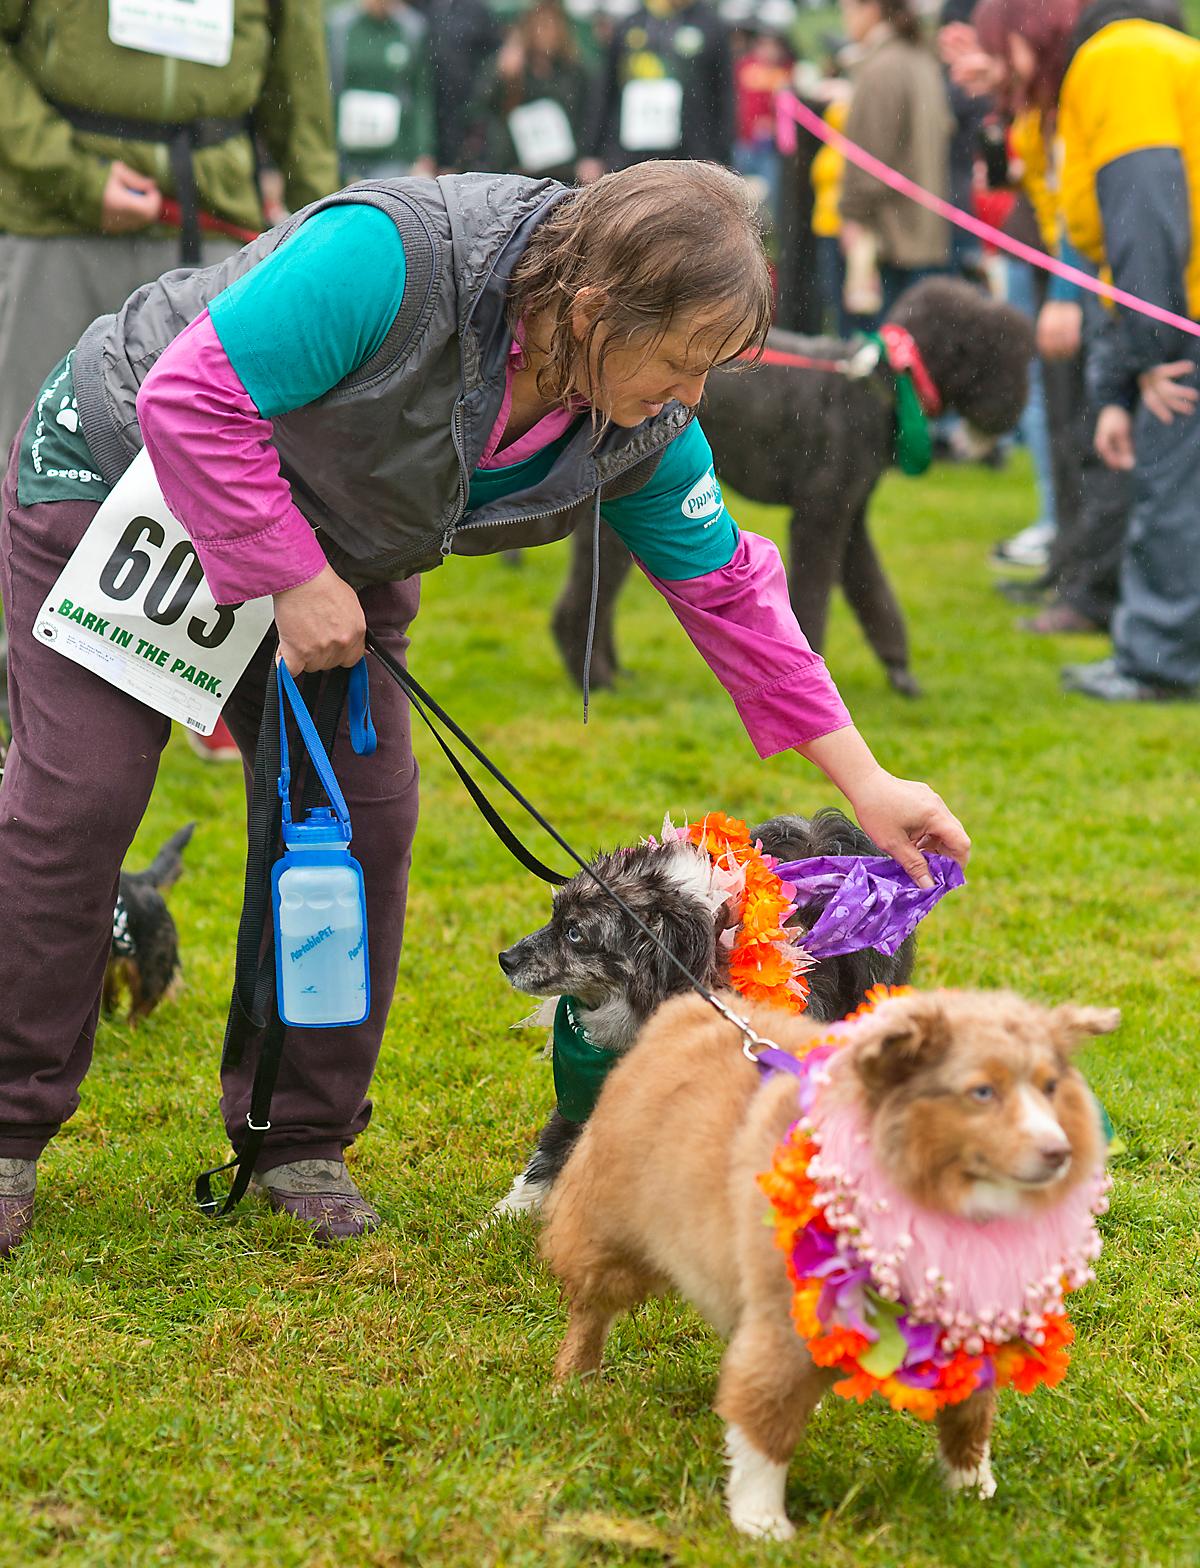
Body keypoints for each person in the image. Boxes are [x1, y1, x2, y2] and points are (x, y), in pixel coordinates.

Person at [0, 161, 969, 1256]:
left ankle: (298, 1138)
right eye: (684, 362)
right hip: (125, 473)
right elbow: (192, 395)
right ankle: (6, 1129)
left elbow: (733, 593)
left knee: (363, 822)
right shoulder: (391, 258)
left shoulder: (632, 419)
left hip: (330, 556)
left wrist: (869, 783)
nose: (694, 398)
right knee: (81, 801)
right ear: (596, 309)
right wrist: (286, 568)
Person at [956, 0, 1200, 701]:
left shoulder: (1114, 61)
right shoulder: (1113, 68)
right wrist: (1121, 382)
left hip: (1178, 318)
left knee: (1169, 491)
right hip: (1174, 310)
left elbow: (1146, 212)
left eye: (1001, 47)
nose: (998, 66)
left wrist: (1151, 352)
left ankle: (1160, 659)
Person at [0, 0, 337, 456]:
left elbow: (301, 90)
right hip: (52, 227)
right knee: (33, 462)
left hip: (214, 234)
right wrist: (76, 178)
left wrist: (320, 247)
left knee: (211, 466)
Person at [837, 0, 953, 327]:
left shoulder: (883, 67)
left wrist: (852, 217)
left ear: (871, 8)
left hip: (890, 240)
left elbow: (869, 159)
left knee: (879, 359)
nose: (845, 18)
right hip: (924, 234)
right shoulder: (921, 59)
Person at [581, 0, 735, 180]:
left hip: (691, 156)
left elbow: (724, 96)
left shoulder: (710, 26)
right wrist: (592, 152)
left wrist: (721, 155)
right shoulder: (631, 24)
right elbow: (605, 92)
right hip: (629, 154)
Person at [460, 0, 594, 185]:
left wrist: (583, 159)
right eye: (541, 25)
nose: (547, 33)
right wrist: (502, 74)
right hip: (516, 170)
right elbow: (482, 107)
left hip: (563, 170)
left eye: (552, 25)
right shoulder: (511, 67)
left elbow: (586, 117)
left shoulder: (574, 71)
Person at [326, 0, 437, 184]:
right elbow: (330, 89)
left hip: (392, 155)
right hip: (346, 154)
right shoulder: (339, 27)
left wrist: (423, 152)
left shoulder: (412, 29)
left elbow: (420, 94)